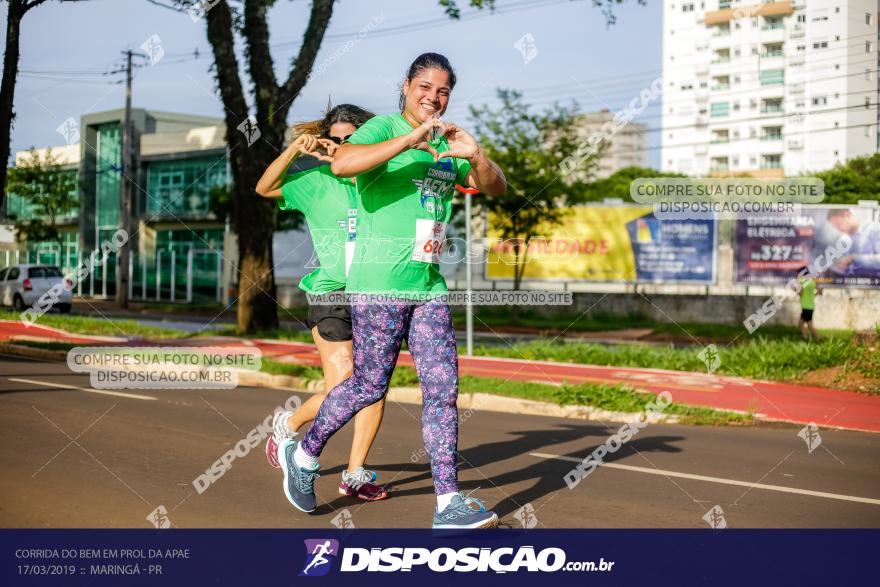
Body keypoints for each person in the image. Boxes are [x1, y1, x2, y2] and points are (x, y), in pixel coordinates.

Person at [278, 52, 507, 529]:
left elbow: (496, 187)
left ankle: (448, 504)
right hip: (378, 285)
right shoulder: (383, 127)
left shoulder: (445, 145)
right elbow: (343, 165)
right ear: (407, 87)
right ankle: (305, 454)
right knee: (368, 385)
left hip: (428, 285)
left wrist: (476, 155)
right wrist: (410, 138)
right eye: (425, 86)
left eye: (443, 90)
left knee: (443, 391)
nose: (433, 96)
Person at [255, 104, 388, 501]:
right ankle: (287, 425)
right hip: (332, 296)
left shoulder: (382, 180)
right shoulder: (314, 180)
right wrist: (295, 150)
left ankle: (355, 474)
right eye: (337, 140)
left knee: (375, 389)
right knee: (346, 387)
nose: (343, 146)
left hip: (377, 293)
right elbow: (263, 188)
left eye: (353, 139)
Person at [797, 266, 822, 342]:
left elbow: (801, 293)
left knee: (809, 324)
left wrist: (797, 292)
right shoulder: (813, 282)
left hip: (805, 305)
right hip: (811, 305)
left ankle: (819, 338)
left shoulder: (802, 282)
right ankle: (806, 337)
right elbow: (820, 291)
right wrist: (812, 295)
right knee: (801, 323)